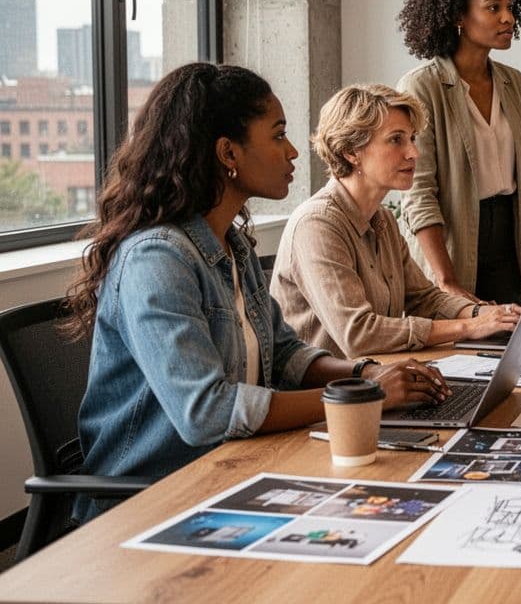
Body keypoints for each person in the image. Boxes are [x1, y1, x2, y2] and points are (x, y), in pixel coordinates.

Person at [67, 64, 449, 521]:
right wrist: (366, 395)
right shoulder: (157, 260)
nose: (292, 151)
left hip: (235, 465)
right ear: (228, 152)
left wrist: (362, 372)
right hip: (153, 497)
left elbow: (285, 354)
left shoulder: (233, 244)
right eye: (278, 135)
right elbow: (206, 412)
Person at [271, 83, 521, 358]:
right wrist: (469, 326)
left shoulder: (383, 219)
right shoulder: (317, 225)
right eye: (396, 139)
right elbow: (359, 334)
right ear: (351, 151)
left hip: (375, 377)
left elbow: (423, 298)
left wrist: (485, 313)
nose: (413, 153)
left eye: (412, 138)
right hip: (328, 394)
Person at [397, 0, 521, 306]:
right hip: (451, 247)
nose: (508, 18)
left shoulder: (513, 82)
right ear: (458, 15)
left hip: (508, 243)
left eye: (510, 7)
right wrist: (445, 281)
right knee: (458, 355)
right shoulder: (422, 86)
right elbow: (419, 191)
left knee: (510, 350)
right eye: (493, 8)